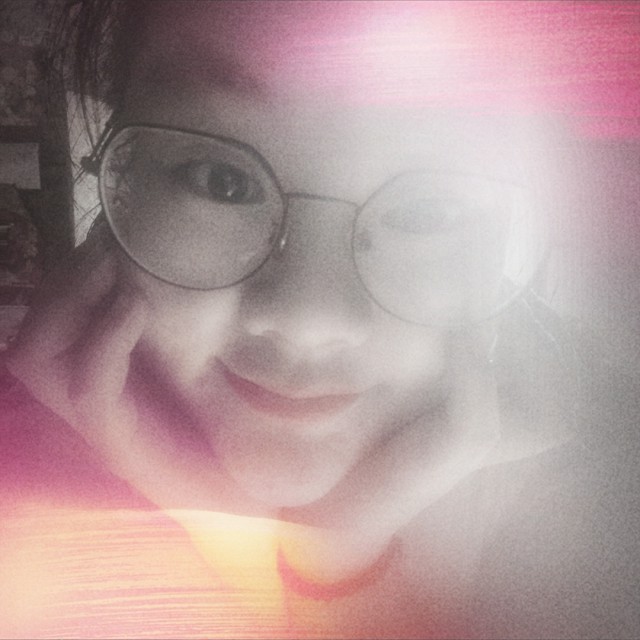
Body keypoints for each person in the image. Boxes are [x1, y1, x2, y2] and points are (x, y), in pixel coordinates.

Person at [1, 1, 638, 638]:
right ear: (120, 183)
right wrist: (271, 568)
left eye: (427, 212)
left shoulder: (604, 521)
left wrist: (324, 575)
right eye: (221, 181)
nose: (309, 321)